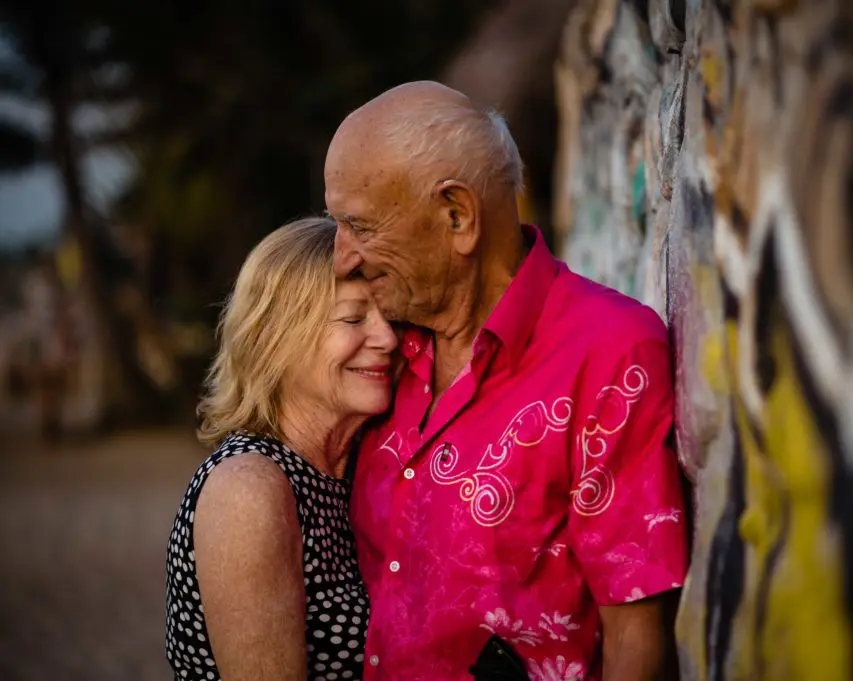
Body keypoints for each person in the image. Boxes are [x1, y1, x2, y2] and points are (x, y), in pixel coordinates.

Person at [325, 82, 689, 681]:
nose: (342, 258)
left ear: (457, 216)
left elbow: (636, 633)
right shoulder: (379, 343)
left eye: (358, 225)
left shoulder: (609, 354)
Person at [165, 217, 397, 681]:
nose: (388, 339)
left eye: (390, 318)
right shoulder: (249, 490)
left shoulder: (358, 470)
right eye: (353, 319)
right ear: (279, 340)